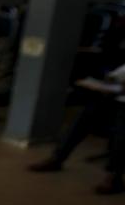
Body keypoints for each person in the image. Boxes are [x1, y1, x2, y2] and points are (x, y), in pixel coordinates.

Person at [28, 63, 125, 195]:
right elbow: (116, 75)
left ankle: (114, 176)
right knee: (85, 116)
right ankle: (57, 158)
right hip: (114, 97)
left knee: (121, 130)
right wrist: (110, 80)